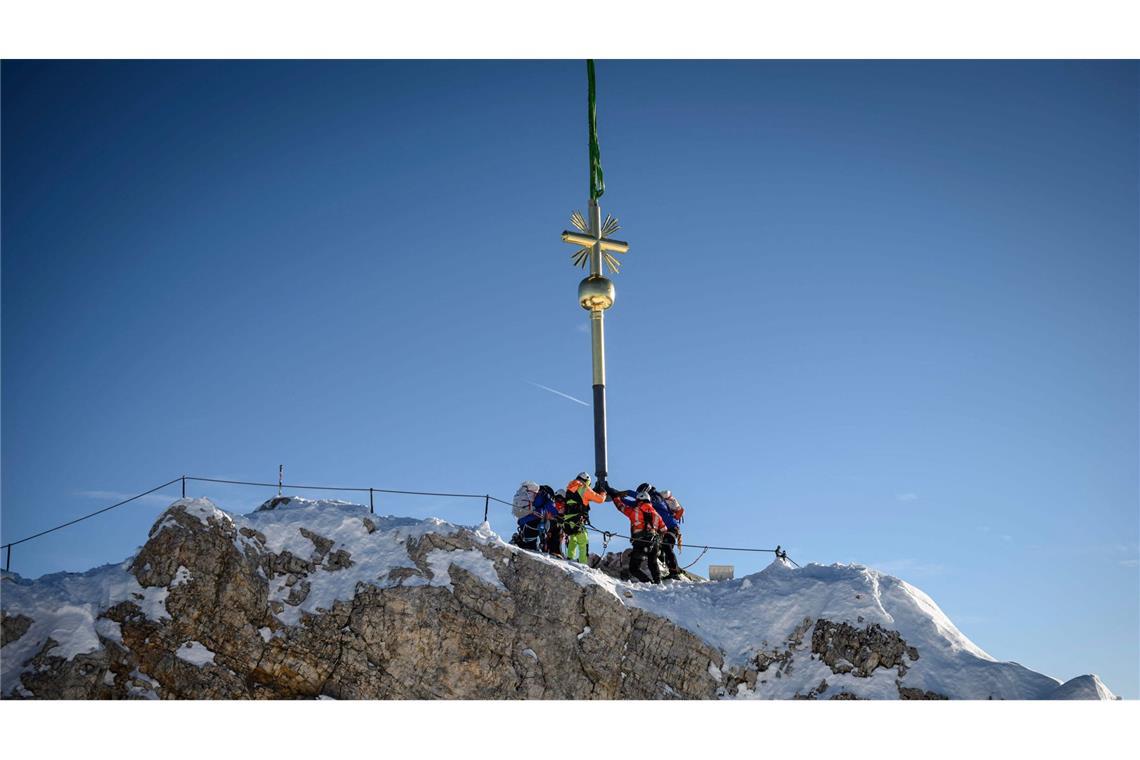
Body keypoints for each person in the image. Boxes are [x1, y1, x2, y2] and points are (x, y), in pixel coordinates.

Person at [608, 486, 666, 583]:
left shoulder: (636, 511)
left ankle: (648, 582)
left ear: (639, 500)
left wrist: (615, 497)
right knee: (653, 563)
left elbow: (621, 507)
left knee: (634, 568)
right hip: (654, 542)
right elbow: (664, 529)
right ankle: (657, 582)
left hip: (640, 541)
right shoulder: (656, 514)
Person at [644, 485, 683, 580]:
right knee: (663, 548)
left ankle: (674, 572)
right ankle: (672, 569)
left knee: (666, 546)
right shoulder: (658, 499)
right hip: (666, 528)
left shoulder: (656, 498)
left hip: (670, 527)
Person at [517, 484, 557, 552]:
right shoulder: (546, 500)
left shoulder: (532, 502)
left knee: (529, 541)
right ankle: (539, 547)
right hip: (533, 524)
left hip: (523, 523)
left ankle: (519, 541)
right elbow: (553, 510)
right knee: (546, 523)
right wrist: (559, 517)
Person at [562, 487, 592, 564]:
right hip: (577, 522)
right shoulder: (582, 497)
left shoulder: (568, 498)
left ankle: (570, 557)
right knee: (583, 543)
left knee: (573, 539)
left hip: (568, 523)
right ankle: (583, 563)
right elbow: (585, 510)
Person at [544, 489, 567, 557]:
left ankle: (551, 550)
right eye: (557, 499)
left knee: (554, 535)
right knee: (556, 535)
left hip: (553, 522)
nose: (558, 501)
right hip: (554, 522)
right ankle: (555, 551)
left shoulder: (553, 504)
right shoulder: (560, 505)